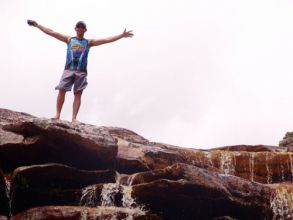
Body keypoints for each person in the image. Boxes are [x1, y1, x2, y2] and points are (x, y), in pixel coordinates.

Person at [28, 20, 134, 122]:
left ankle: (74, 118)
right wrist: (37, 25)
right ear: (75, 28)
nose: (80, 28)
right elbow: (51, 32)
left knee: (78, 94)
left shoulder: (88, 42)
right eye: (78, 26)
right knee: (62, 90)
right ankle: (57, 115)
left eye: (82, 27)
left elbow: (106, 40)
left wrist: (121, 35)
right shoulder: (69, 39)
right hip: (68, 69)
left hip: (81, 71)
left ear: (85, 30)